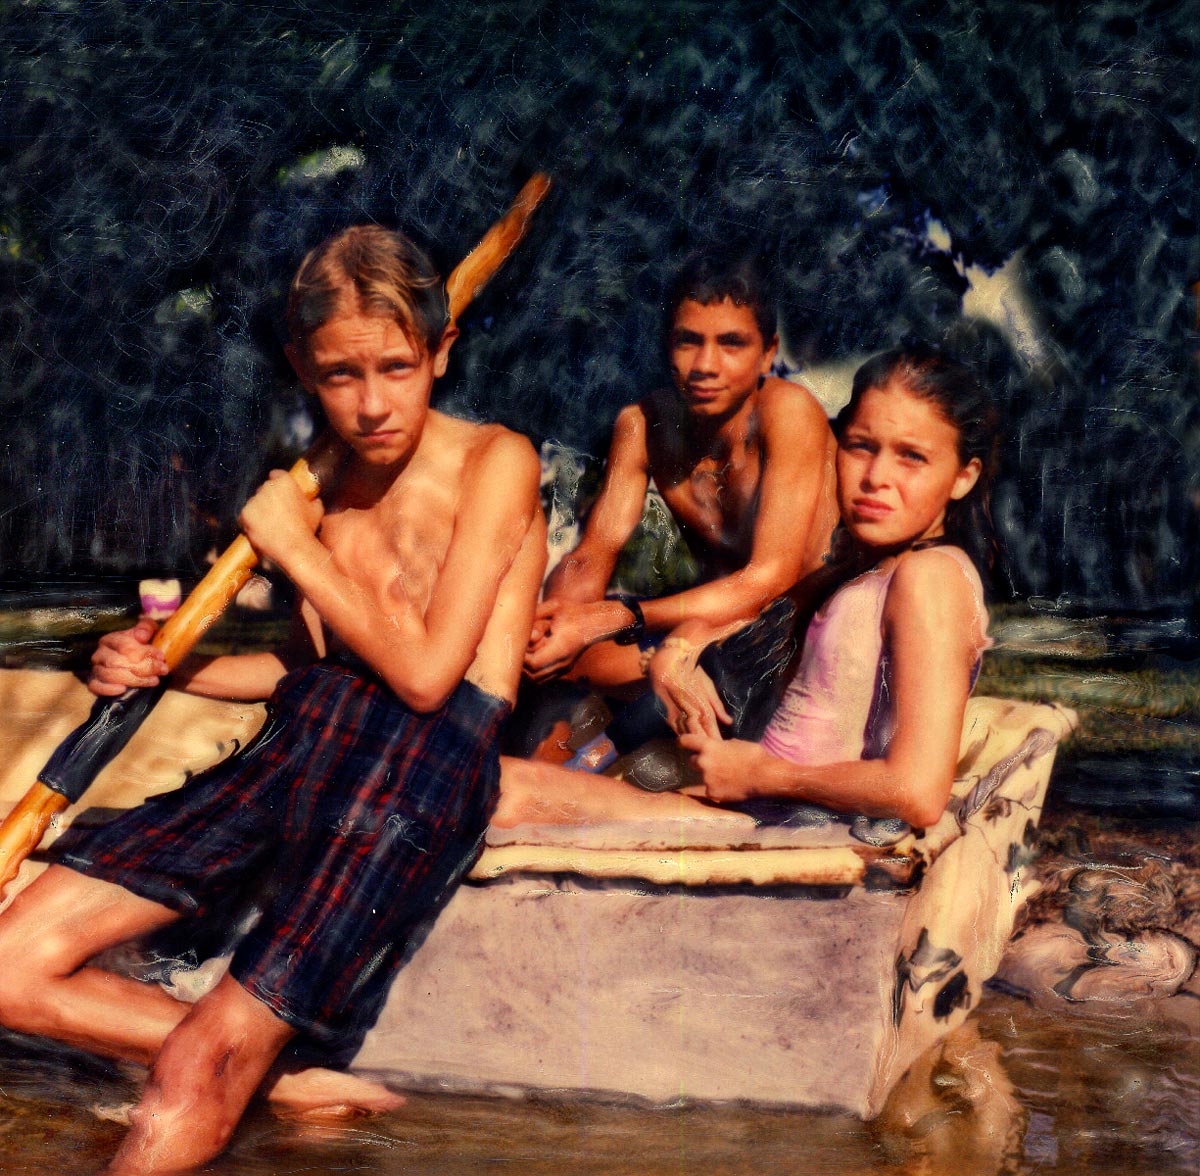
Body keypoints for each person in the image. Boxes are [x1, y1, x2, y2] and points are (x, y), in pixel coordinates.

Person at [0, 225, 546, 1174]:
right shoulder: (319, 485)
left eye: (396, 367)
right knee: (7, 963)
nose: (372, 404)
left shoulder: (496, 462)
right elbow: (307, 665)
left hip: (418, 761)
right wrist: (165, 667)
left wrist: (294, 547)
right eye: (340, 376)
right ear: (300, 366)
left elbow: (423, 676)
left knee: (193, 1072)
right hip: (300, 738)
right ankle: (281, 1074)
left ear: (442, 351)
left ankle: (226, 1058)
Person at [496, 344, 997, 832]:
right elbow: (748, 624)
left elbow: (917, 790)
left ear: (963, 476)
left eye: (911, 457)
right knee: (515, 772)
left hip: (782, 825)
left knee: (504, 789)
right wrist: (675, 651)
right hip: (757, 807)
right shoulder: (862, 570)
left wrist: (759, 773)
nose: (876, 477)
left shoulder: (930, 577)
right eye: (861, 446)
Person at [522, 250, 837, 700]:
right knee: (553, 667)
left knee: (652, 663)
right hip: (708, 634)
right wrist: (554, 625)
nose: (705, 365)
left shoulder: (788, 413)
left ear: (767, 354)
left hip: (801, 631)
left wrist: (616, 616)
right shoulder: (642, 424)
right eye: (688, 341)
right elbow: (592, 554)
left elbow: (771, 578)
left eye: (731, 344)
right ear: (667, 346)